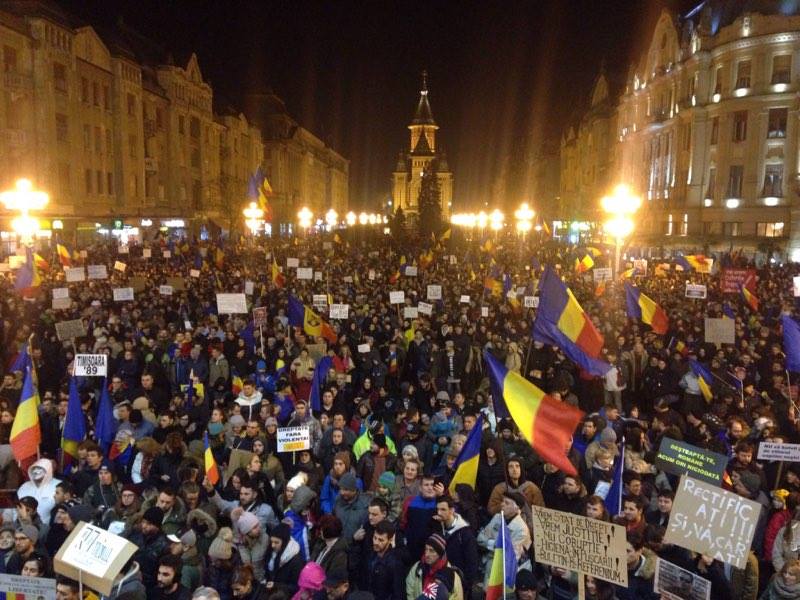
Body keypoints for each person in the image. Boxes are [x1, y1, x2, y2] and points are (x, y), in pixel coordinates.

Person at [435, 495, 478, 594]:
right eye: (437, 509)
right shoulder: (437, 526)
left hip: (459, 582)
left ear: (452, 510)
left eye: (443, 509)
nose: (439, 513)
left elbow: (472, 561)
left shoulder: (465, 533)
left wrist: (466, 584)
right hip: (440, 579)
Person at [405, 533, 464, 600]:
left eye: (431, 551)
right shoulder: (418, 567)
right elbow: (409, 590)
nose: (427, 554)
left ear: (440, 554)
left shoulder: (452, 576)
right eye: (426, 549)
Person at [358, 519, 405, 599]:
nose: (376, 542)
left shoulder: (395, 563)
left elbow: (397, 593)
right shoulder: (369, 555)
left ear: (390, 540)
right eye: (375, 538)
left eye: (381, 540)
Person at [263, 523, 305, 596]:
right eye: (271, 542)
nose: (272, 545)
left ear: (285, 542)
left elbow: (295, 587)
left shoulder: (296, 561)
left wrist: (276, 585)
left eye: (276, 542)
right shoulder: (273, 551)